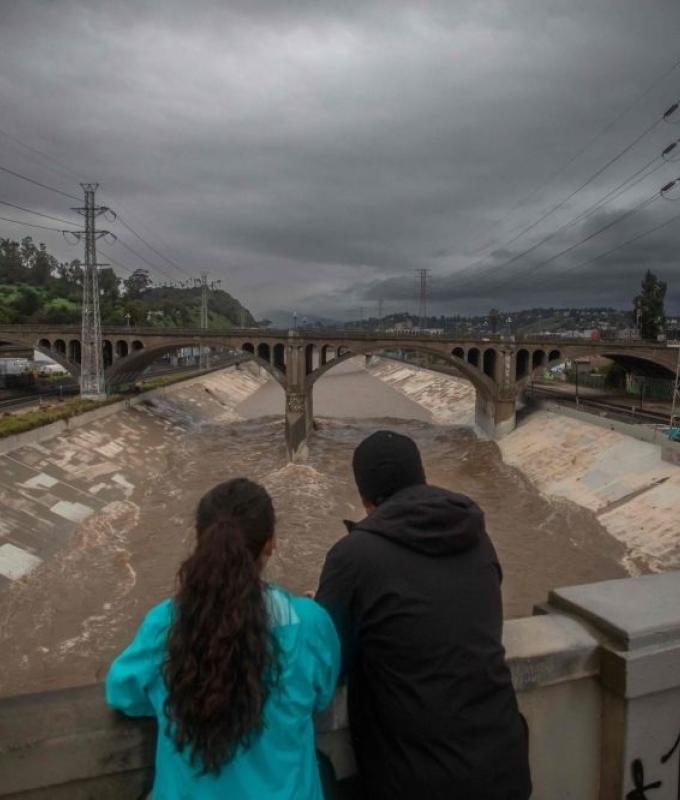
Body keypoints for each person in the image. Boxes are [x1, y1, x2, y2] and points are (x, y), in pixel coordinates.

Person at [315, 430, 532, 800]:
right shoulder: (475, 533)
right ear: (421, 476)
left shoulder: (352, 556)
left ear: (364, 497)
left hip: (414, 781)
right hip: (506, 766)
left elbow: (327, 662)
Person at [106, 477, 340, 800]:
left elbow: (123, 693)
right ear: (271, 543)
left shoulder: (167, 622)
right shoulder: (311, 623)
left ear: (201, 540)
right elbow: (323, 694)